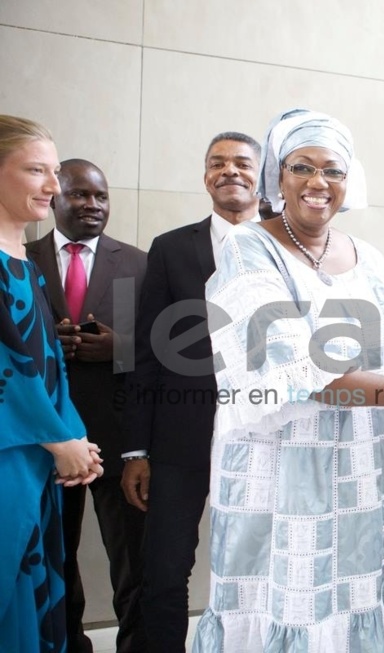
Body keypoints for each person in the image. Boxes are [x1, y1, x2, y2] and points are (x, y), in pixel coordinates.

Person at [192, 108, 384, 652]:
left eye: (333, 170)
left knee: (352, 599)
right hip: (274, 469)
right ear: (276, 177)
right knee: (282, 603)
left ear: (349, 181)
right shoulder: (246, 247)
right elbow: (295, 374)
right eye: (301, 167)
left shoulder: (370, 260)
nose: (317, 182)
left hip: (359, 469)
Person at [122, 131, 261, 652]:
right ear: (205, 175)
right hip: (180, 443)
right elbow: (146, 355)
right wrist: (136, 449)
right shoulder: (171, 248)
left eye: (242, 163)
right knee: (163, 574)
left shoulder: (287, 245)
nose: (230, 171)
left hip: (263, 438)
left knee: (259, 574)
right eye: (217, 163)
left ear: (260, 174)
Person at [26, 159, 148, 653]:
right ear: (54, 197)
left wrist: (118, 348)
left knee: (133, 560)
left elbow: (171, 349)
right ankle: (68, 643)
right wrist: (45, 343)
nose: (92, 205)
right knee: (54, 554)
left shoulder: (140, 263)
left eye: (100, 196)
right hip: (47, 437)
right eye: (79, 195)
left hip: (120, 440)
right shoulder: (20, 255)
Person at [0, 115, 103, 653]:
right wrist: (56, 439)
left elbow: (47, 363)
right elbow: (4, 369)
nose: (52, 186)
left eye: (54, 171)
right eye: (36, 170)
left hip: (41, 456)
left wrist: (74, 437)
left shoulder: (25, 262)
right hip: (9, 456)